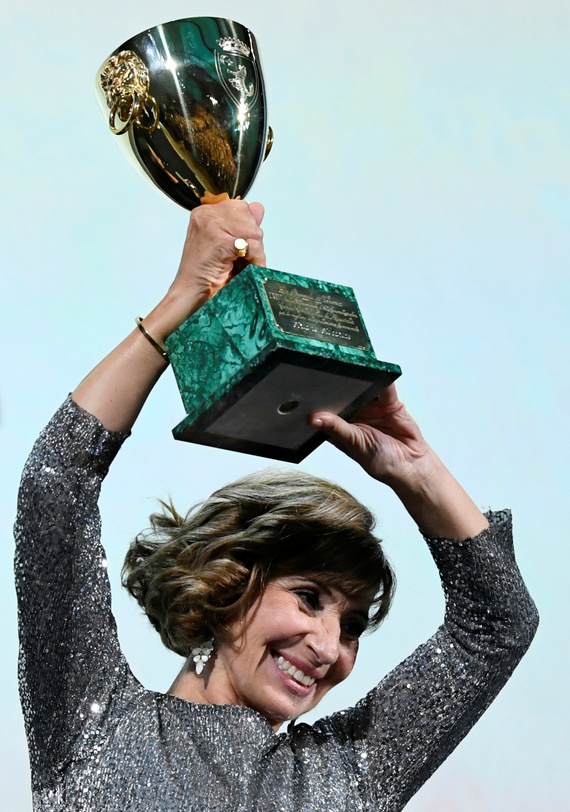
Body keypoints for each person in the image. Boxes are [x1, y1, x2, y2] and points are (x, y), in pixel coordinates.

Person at [14, 199, 538, 811]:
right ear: (229, 583)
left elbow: (498, 626)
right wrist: (184, 299)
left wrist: (417, 472)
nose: (328, 647)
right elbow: (56, 485)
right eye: (309, 598)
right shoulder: (97, 729)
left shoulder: (343, 777)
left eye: (351, 627)